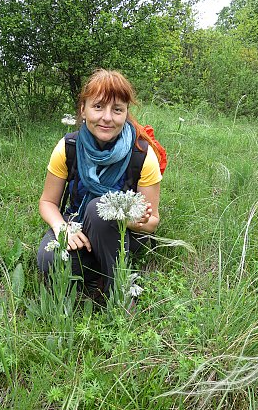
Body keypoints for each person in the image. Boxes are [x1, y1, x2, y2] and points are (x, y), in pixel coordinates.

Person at [37, 69, 163, 297]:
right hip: (78, 226)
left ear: (126, 113)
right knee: (49, 262)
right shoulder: (68, 148)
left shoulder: (142, 154)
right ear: (83, 110)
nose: (107, 117)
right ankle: (103, 269)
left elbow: (152, 222)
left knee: (98, 209)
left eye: (117, 110)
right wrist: (62, 228)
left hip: (127, 235)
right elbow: (47, 202)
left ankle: (119, 293)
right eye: (98, 107)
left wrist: (131, 220)